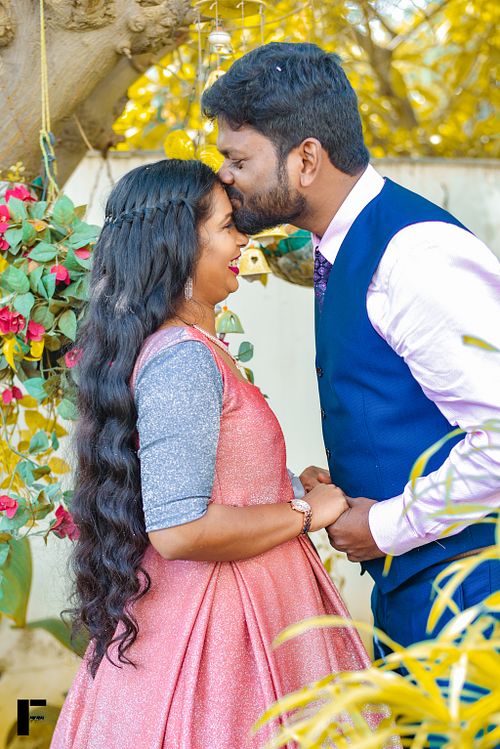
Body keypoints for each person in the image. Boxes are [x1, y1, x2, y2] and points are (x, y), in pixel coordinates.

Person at [49, 159, 384, 749]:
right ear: (178, 243)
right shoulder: (182, 357)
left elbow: (206, 477)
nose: (242, 242)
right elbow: (180, 528)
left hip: (240, 599)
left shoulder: (193, 348)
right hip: (219, 628)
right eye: (228, 227)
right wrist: (309, 513)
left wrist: (285, 485)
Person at [201, 42, 500, 659]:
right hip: (420, 587)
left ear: (306, 159)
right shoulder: (339, 245)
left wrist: (384, 526)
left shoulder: (415, 256)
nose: (224, 175)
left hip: (473, 594)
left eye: (238, 158)